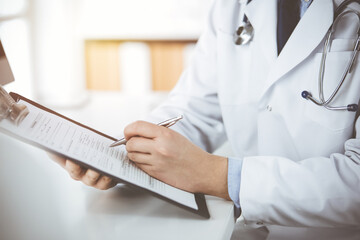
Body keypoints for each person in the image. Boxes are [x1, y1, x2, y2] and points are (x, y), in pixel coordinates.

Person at [52, 0, 360, 239]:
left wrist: (219, 176)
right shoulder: (233, 7)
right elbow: (193, 110)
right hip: (247, 229)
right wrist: (129, 156)